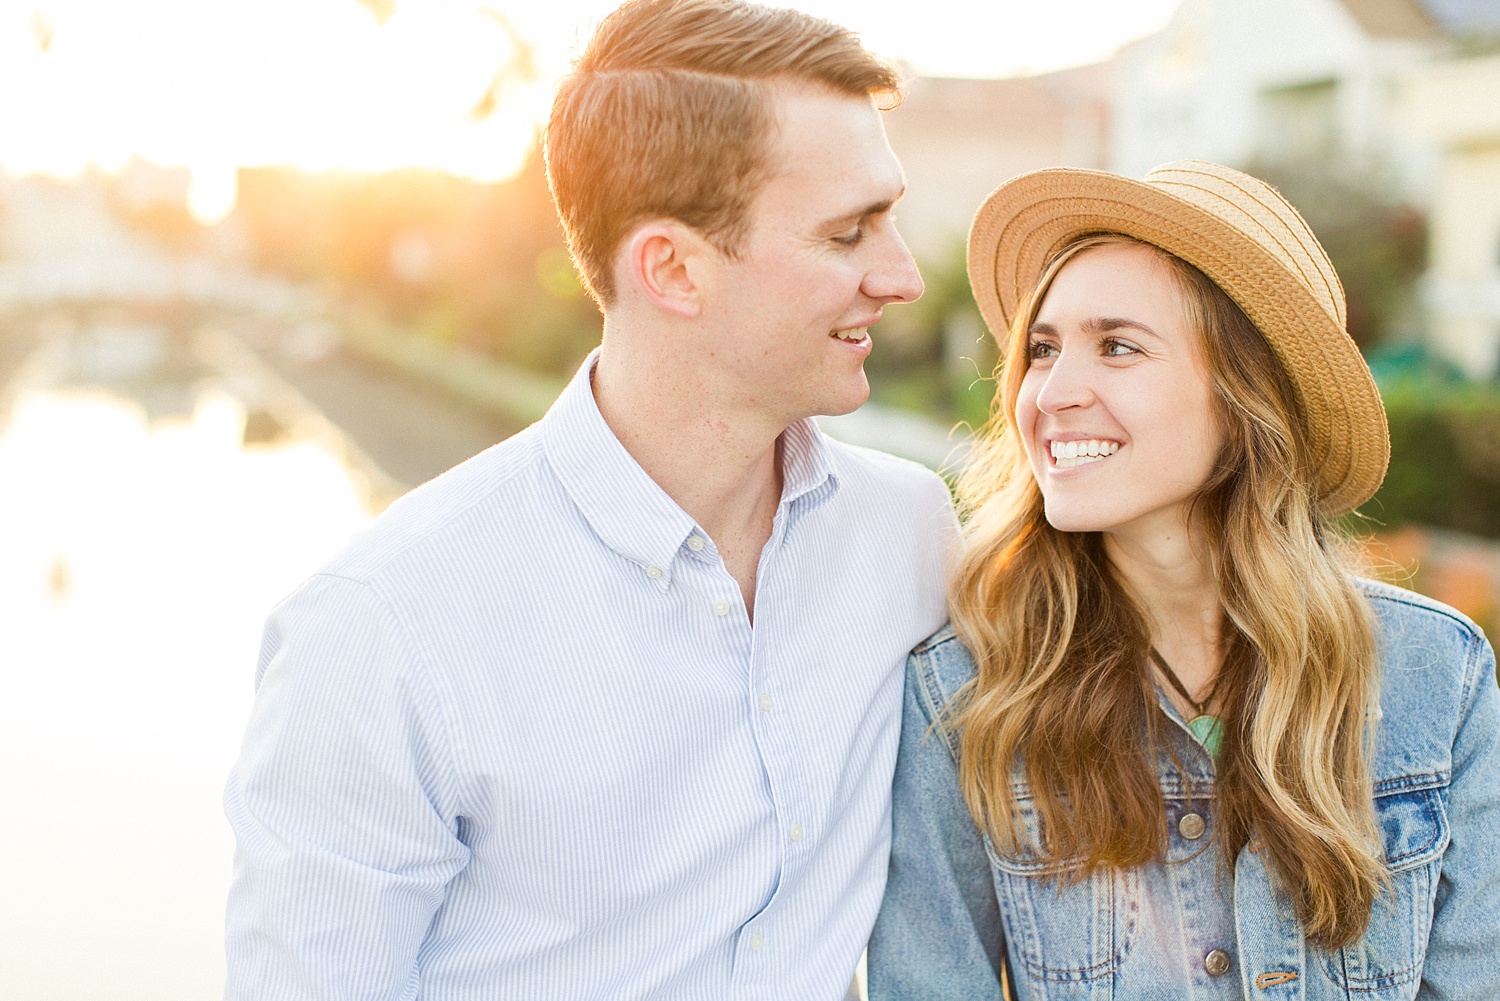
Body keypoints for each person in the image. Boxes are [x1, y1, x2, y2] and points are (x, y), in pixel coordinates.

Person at [223, 2, 956, 998]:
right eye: (848, 232)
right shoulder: (384, 624)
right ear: (673, 268)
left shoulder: (908, 534)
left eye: (890, 217)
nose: (902, 273)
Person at [868, 161, 1500, 999]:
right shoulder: (963, 692)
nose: (1051, 393)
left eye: (1118, 346)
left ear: (1246, 397)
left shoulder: (1435, 673)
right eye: (1043, 350)